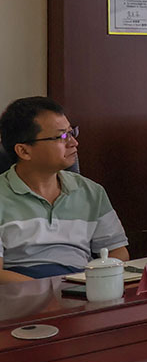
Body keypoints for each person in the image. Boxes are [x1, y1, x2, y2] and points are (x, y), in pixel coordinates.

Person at [0, 97, 129, 282]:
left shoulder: (90, 191)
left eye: (71, 132)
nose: (73, 142)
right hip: (23, 292)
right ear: (24, 151)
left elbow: (117, 251)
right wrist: (49, 291)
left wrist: (93, 282)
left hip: (80, 285)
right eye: (61, 136)